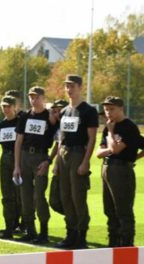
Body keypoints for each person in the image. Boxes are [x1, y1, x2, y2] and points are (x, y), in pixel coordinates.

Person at [55, 74, 98, 249]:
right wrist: (57, 161)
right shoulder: (64, 111)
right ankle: (70, 233)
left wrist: (85, 161)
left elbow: (92, 138)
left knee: (78, 197)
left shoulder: (88, 111)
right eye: (67, 86)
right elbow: (60, 139)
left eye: (72, 86)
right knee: (65, 196)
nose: (69, 89)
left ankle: (81, 235)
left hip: (78, 154)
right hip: (64, 154)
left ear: (80, 87)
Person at [96, 96, 142, 247]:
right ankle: (113, 242)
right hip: (107, 167)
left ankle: (126, 243)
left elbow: (115, 150)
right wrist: (110, 148)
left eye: (112, 109)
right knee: (109, 209)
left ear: (121, 109)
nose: (108, 113)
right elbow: (98, 152)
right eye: (106, 109)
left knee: (123, 210)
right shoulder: (109, 125)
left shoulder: (128, 127)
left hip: (121, 169)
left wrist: (110, 133)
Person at [13, 86, 57, 244]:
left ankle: (43, 232)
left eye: (37, 96)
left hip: (40, 156)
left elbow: (58, 141)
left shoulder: (50, 116)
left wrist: (48, 160)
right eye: (31, 96)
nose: (33, 99)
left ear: (43, 98)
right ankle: (30, 231)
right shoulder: (25, 116)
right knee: (25, 197)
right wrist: (17, 166)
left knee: (39, 196)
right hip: (25, 156)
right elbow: (18, 141)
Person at [0, 96, 20, 239]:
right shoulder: (2, 124)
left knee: (20, 195)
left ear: (14, 107)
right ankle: (9, 226)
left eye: (8, 106)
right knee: (7, 194)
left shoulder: (20, 122)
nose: (6, 109)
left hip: (18, 159)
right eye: (3, 107)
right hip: (5, 158)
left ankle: (23, 224)